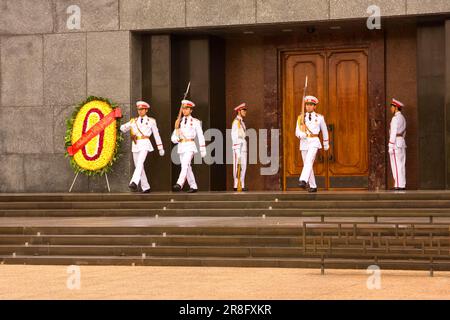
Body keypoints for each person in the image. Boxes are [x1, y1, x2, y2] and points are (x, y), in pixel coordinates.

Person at [120, 101, 164, 193]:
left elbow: (156, 135)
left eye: (142, 109)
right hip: (136, 145)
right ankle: (146, 187)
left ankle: (134, 182)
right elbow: (123, 128)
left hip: (145, 143)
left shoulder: (151, 121)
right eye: (138, 109)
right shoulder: (134, 121)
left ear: (146, 110)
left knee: (140, 163)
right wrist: (119, 120)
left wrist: (160, 147)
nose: (140, 111)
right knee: (139, 166)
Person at [171, 100, 206, 193]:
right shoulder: (179, 121)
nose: (184, 110)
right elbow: (173, 137)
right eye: (183, 108)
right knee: (187, 166)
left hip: (190, 146)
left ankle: (179, 183)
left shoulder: (195, 122)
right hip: (181, 146)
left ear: (191, 110)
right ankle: (193, 186)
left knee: (185, 165)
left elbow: (200, 135)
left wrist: (202, 148)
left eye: (187, 109)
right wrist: (176, 138)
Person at [296, 96, 329, 193]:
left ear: (314, 106)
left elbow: (325, 130)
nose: (308, 106)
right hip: (304, 143)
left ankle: (303, 180)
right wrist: (300, 134)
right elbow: (297, 131)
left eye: (311, 105)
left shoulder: (319, 118)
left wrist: (326, 143)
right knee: (307, 164)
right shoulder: (300, 118)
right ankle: (313, 186)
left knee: (309, 161)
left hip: (314, 141)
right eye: (307, 104)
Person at [388, 98, 407, 191]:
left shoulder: (395, 118)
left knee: (396, 164)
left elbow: (393, 132)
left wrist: (390, 145)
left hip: (395, 143)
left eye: (392, 107)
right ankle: (402, 184)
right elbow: (404, 132)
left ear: (396, 107)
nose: (391, 109)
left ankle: (398, 185)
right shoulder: (402, 118)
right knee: (401, 164)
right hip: (401, 142)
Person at [231, 103, 248, 192]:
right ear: (239, 111)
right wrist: (237, 150)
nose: (245, 112)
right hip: (238, 146)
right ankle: (236, 184)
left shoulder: (242, 122)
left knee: (243, 166)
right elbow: (234, 137)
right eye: (243, 110)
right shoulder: (236, 122)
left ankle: (242, 184)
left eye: (245, 110)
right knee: (237, 166)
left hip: (243, 146)